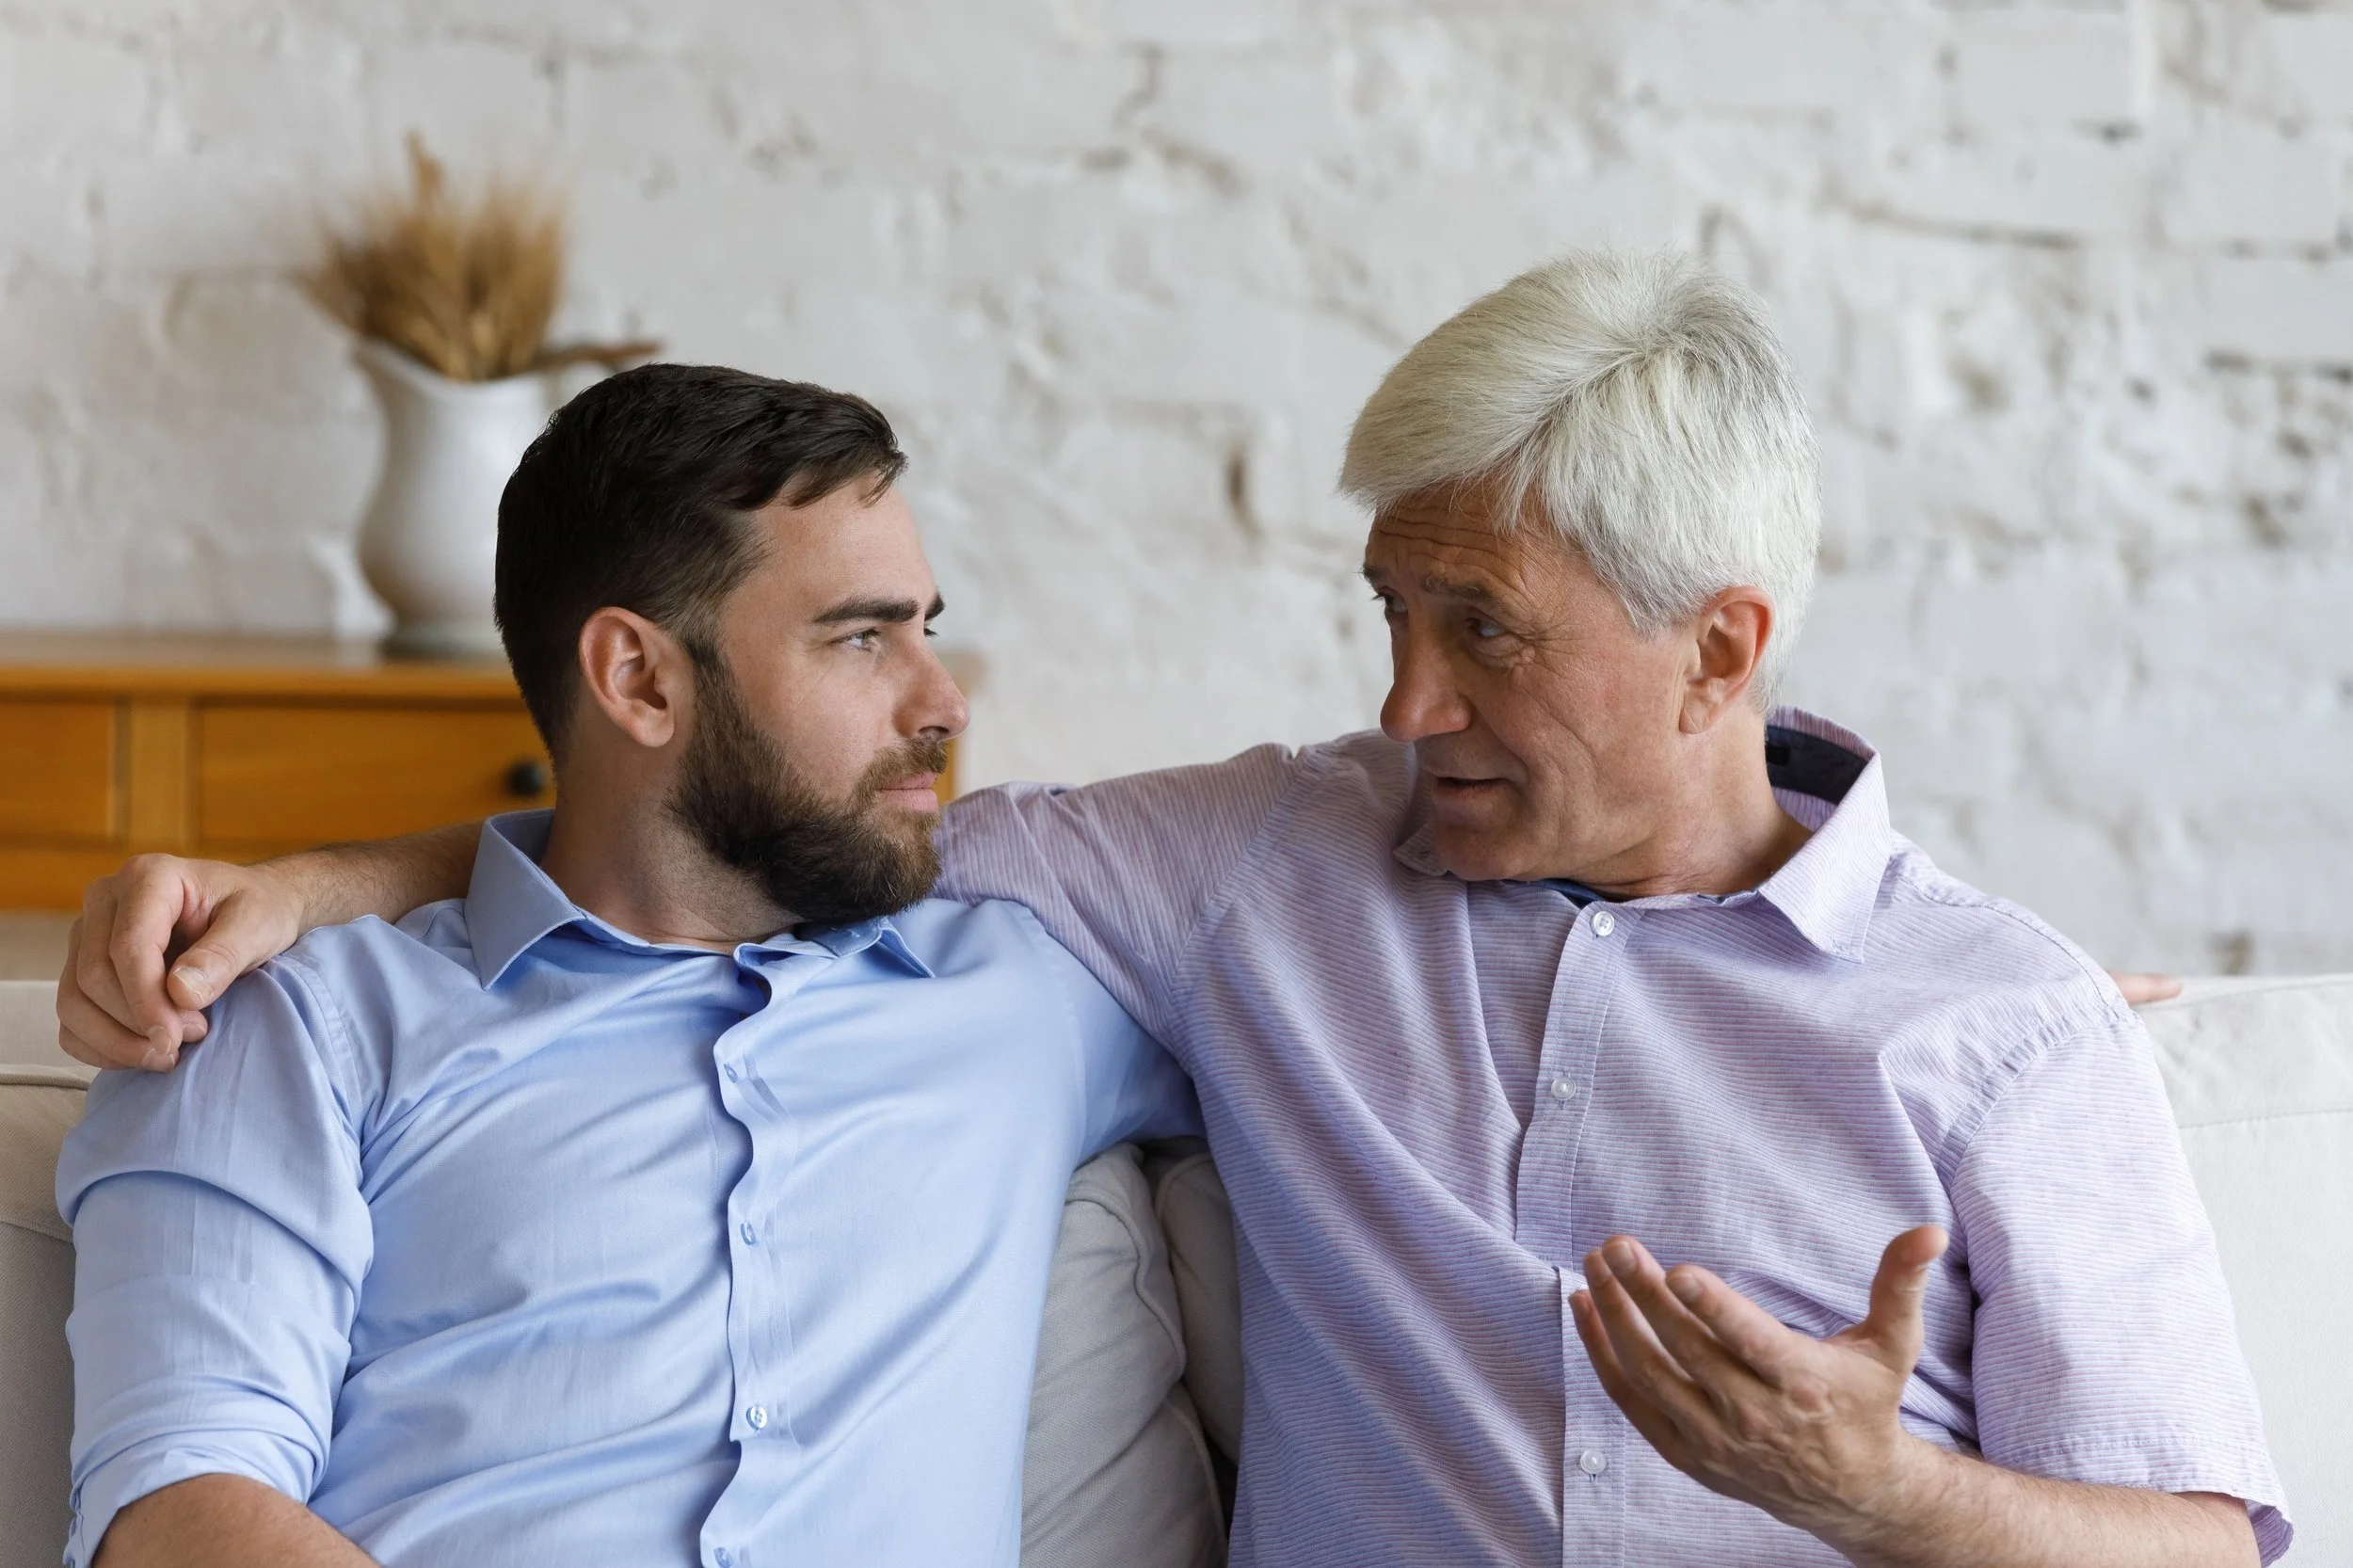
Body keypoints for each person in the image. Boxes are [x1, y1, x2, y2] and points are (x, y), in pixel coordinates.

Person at [64, 252, 2284, 1566]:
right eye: (1390, 616)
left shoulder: (1990, 1026)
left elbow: (2201, 1540)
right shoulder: (1261, 881)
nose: (1401, 704)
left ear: (1723, 649)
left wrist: (1885, 1493)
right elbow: (722, 855)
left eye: (1481, 632)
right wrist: (306, 887)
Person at [55, 367, 1201, 1568]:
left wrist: (316, 874)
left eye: (927, 626)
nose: (944, 700)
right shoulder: (289, 1023)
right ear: (639, 679)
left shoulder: (1035, 984)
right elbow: (179, 1504)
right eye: (861, 636)